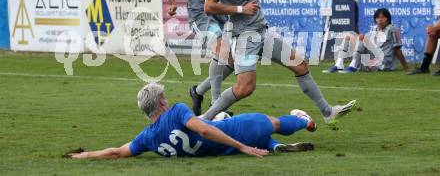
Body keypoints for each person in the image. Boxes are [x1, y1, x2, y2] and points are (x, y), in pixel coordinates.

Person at [168, 0, 356, 124]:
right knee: (244, 88)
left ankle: (328, 112)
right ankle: (204, 119)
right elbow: (209, 5)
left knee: (299, 65)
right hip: (246, 38)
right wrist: (241, 10)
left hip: (262, 33)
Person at [67, 83, 316, 159]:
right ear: (161, 103)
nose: (168, 98)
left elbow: (117, 152)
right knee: (273, 122)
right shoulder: (176, 111)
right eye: (164, 95)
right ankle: (304, 121)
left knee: (221, 118)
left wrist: (84, 155)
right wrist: (243, 147)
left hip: (219, 150)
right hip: (233, 132)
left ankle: (272, 146)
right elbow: (205, 130)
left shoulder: (148, 137)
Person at [324, 8, 408, 73]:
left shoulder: (393, 29)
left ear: (388, 18)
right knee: (349, 35)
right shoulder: (375, 30)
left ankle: (353, 65)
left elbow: (397, 49)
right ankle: (339, 64)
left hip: (383, 63)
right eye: (378, 18)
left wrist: (406, 68)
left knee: (362, 37)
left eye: (383, 17)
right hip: (373, 59)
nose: (380, 20)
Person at [407, 0, 440, 76]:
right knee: (433, 34)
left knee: (434, 30)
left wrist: (434, 27)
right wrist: (434, 28)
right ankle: (424, 67)